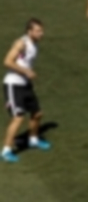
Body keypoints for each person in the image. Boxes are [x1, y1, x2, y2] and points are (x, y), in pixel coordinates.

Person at [2, 19, 48, 163]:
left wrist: (27, 75)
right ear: (29, 32)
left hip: (25, 85)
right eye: (38, 31)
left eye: (42, 30)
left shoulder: (35, 44)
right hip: (13, 85)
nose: (42, 33)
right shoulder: (21, 43)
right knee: (18, 117)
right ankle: (6, 150)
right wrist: (26, 71)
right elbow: (7, 61)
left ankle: (33, 140)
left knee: (37, 113)